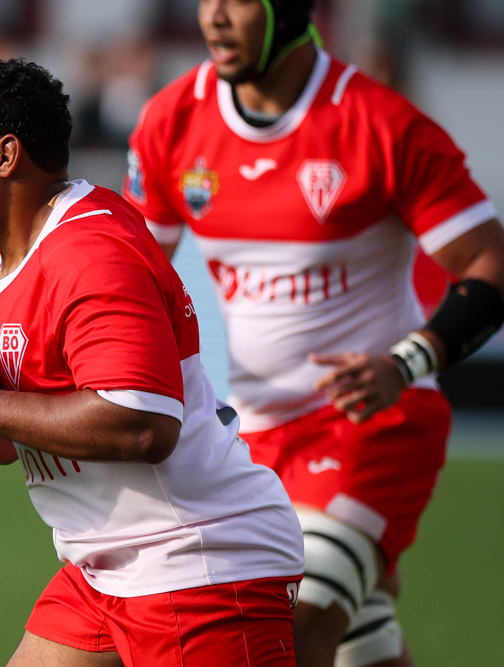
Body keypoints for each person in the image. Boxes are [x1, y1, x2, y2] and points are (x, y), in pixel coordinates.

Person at [0, 58, 304, 665]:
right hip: (103, 568)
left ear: (6, 157)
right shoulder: (2, 256)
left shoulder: (92, 253)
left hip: (198, 565)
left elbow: (142, 427)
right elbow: (23, 432)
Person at [122, 2, 504, 666]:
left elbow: (488, 262)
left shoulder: (380, 124)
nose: (213, 16)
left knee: (288, 634)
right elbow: (127, 276)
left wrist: (406, 362)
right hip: (256, 438)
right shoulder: (171, 120)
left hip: (376, 423)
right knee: (361, 641)